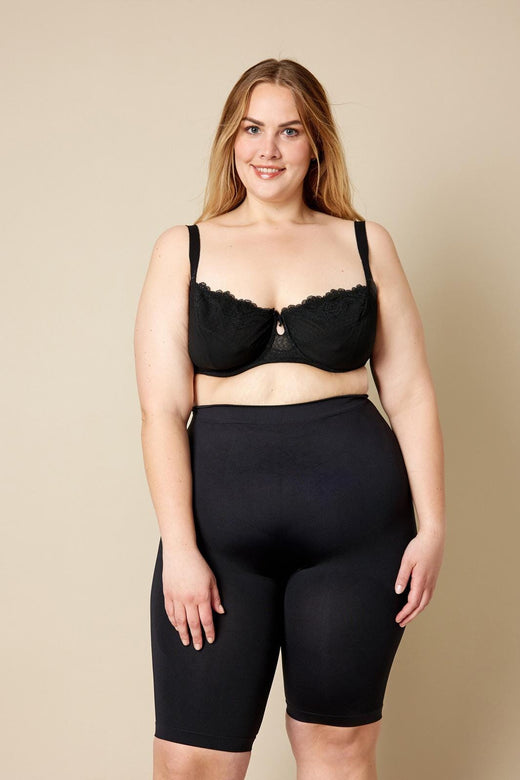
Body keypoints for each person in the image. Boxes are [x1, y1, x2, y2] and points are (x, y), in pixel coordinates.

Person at [134, 58, 446, 780]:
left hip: (358, 535)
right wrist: (179, 547)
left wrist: (433, 527)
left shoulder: (365, 242)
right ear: (230, 140)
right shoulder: (183, 248)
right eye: (252, 129)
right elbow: (162, 411)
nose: (267, 150)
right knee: (192, 763)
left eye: (289, 131)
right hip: (218, 539)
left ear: (317, 144)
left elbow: (411, 394)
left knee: (339, 753)